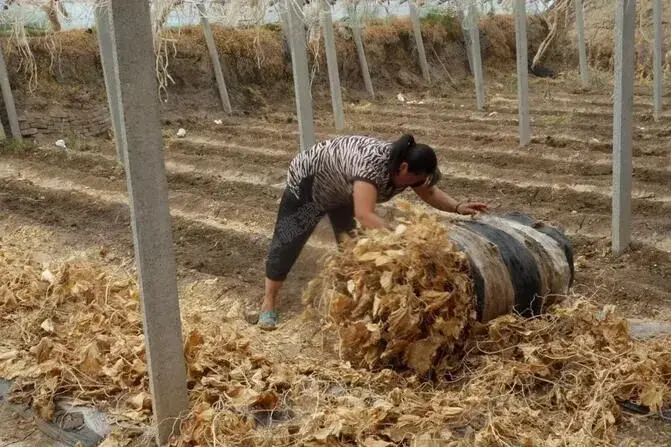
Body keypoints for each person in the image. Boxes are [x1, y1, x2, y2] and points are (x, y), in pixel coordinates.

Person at [258, 134, 488, 330]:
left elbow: (429, 193)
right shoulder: (371, 167)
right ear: (405, 168)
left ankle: (351, 304)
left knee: (353, 248)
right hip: (311, 188)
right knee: (288, 241)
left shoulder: (406, 168)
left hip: (344, 191)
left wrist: (458, 207)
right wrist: (403, 237)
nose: (415, 185)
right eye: (415, 180)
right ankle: (268, 304)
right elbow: (364, 214)